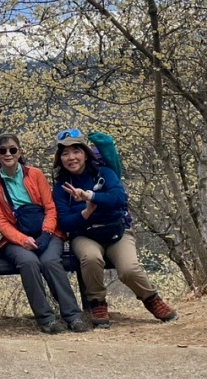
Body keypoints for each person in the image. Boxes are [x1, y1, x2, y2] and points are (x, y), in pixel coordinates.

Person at [52, 128, 177, 328]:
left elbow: (119, 198)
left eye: (76, 151)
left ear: (85, 153)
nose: (71, 157)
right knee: (91, 258)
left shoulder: (105, 173)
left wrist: (90, 197)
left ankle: (152, 299)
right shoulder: (61, 187)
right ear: (60, 158)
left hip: (116, 230)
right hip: (84, 235)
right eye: (65, 153)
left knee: (129, 269)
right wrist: (86, 212)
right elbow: (65, 222)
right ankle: (97, 303)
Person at [0, 133, 88, 334]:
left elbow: (50, 207)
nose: (8, 154)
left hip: (48, 232)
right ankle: (46, 318)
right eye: (3, 151)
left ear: (20, 152)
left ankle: (73, 315)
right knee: (29, 262)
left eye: (12, 150)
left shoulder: (35, 175)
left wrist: (46, 234)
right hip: (15, 238)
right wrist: (21, 239)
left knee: (50, 261)